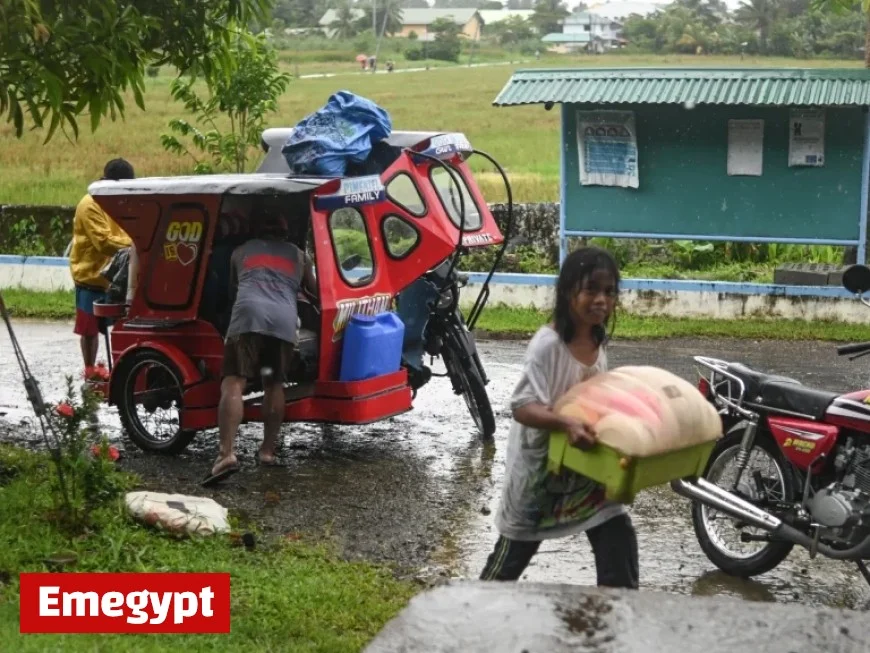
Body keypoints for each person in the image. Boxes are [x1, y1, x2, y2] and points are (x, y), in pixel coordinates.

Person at [479, 247, 639, 588]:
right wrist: (565, 422)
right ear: (568, 292)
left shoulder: (597, 338)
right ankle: (471, 614)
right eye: (591, 290)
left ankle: (618, 618)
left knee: (616, 533)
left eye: (609, 292)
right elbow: (522, 406)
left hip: (584, 467)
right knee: (513, 554)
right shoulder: (547, 345)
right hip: (540, 472)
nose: (602, 300)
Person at [203, 211, 317, 486]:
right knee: (273, 383)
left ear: (256, 232)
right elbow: (313, 292)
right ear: (285, 231)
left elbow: (232, 289)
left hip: (247, 318)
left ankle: (226, 454)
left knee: (234, 383)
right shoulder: (300, 256)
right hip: (283, 324)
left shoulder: (240, 252)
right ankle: (266, 451)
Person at [69, 159, 135, 369]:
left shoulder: (121, 201)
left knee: (121, 326)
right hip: (91, 275)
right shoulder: (89, 205)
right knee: (89, 331)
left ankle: (121, 368)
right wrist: (138, 245)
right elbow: (104, 243)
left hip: (118, 275)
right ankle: (89, 370)